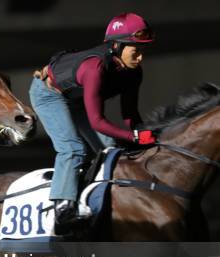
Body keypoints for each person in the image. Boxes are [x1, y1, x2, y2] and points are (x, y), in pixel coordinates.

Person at [29, 12, 157, 230]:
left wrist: (142, 137)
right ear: (117, 46)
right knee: (72, 149)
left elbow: (130, 115)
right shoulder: (95, 68)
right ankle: (63, 209)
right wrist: (134, 137)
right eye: (136, 51)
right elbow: (98, 122)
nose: (140, 58)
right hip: (49, 95)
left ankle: (95, 194)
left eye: (143, 51)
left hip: (76, 100)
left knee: (110, 148)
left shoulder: (134, 73)